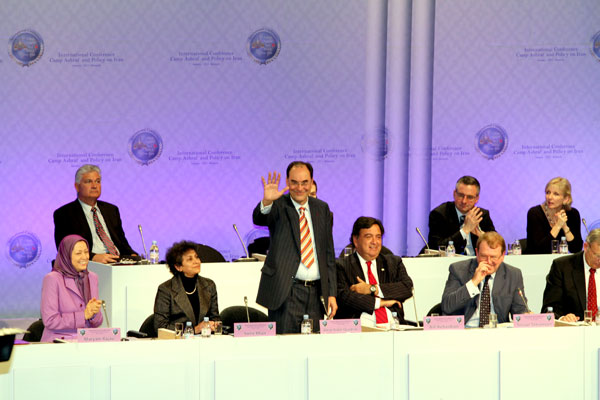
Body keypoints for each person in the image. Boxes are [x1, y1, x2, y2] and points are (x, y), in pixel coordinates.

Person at [253, 161, 337, 334]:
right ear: (287, 181)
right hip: (286, 292)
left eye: (304, 182)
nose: (299, 188)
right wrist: (267, 201)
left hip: (316, 294)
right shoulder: (278, 205)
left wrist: (331, 293)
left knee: (313, 346)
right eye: (294, 182)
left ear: (311, 182)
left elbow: (328, 254)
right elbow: (259, 218)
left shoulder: (322, 208)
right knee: (285, 346)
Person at [336, 217, 413, 326]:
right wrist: (380, 303)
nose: (375, 242)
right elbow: (344, 297)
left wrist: (372, 289)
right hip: (359, 327)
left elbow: (407, 287)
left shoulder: (393, 263)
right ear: (356, 240)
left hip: (393, 326)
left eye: (378, 237)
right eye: (368, 236)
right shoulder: (342, 266)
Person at [54, 164, 137, 264]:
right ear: (77, 186)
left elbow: (121, 242)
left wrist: (132, 255)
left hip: (117, 261)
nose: (94, 186)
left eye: (98, 181)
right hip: (90, 265)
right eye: (89, 181)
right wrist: (93, 257)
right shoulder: (64, 214)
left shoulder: (111, 210)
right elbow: (65, 248)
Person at [441, 232, 528, 326]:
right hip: (466, 330)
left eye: (493, 257)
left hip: (498, 331)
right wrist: (473, 282)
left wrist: (527, 316)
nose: (488, 261)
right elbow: (447, 307)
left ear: (502, 255)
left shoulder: (513, 274)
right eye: (484, 256)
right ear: (477, 253)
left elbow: (520, 311)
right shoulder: (458, 270)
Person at [40, 235, 103, 342]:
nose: (84, 257)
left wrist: (93, 314)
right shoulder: (52, 279)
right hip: (58, 343)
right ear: (67, 256)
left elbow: (97, 322)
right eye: (78, 253)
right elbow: (50, 320)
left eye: (86, 252)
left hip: (86, 342)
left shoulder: (92, 277)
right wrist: (83, 315)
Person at [153, 241, 220, 333]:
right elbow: (160, 326)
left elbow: (215, 318)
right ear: (178, 267)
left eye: (197, 257)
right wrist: (194, 329)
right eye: (190, 259)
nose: (196, 261)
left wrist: (213, 325)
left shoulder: (209, 285)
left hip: (205, 338)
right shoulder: (166, 289)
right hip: (178, 340)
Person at [426, 176, 495, 255]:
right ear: (454, 194)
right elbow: (436, 247)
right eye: (461, 195)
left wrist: (481, 235)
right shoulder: (439, 214)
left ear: (476, 199)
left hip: (476, 260)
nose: (464, 201)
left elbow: (497, 245)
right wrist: (465, 230)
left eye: (470, 197)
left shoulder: (481, 215)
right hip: (450, 261)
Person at [541, 229, 600, 322]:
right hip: (575, 328)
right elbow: (549, 308)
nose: (599, 260)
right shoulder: (563, 267)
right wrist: (562, 318)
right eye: (597, 255)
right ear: (586, 247)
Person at [525, 177, 583, 254]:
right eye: (548, 192)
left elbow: (576, 249)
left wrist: (565, 227)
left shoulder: (573, 214)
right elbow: (539, 249)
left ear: (566, 199)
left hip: (559, 260)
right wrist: (558, 226)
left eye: (556, 194)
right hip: (534, 259)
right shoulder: (534, 213)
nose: (550, 197)